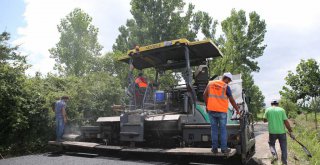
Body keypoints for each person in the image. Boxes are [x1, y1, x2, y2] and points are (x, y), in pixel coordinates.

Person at [203, 72, 240, 154]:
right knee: (223, 130)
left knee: (214, 130)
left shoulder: (210, 83)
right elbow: (231, 100)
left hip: (211, 110)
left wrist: (207, 105)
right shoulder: (226, 86)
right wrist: (237, 110)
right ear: (226, 78)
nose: (228, 82)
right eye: (229, 80)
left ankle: (214, 148)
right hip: (221, 112)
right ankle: (224, 148)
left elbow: (204, 95)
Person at [263, 99, 294, 165]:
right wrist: (290, 131)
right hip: (282, 132)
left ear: (271, 104)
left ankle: (275, 156)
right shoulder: (281, 110)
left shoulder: (268, 110)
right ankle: (284, 162)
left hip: (272, 132)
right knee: (283, 147)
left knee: (271, 144)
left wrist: (270, 118)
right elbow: (286, 121)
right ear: (278, 104)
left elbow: (264, 120)